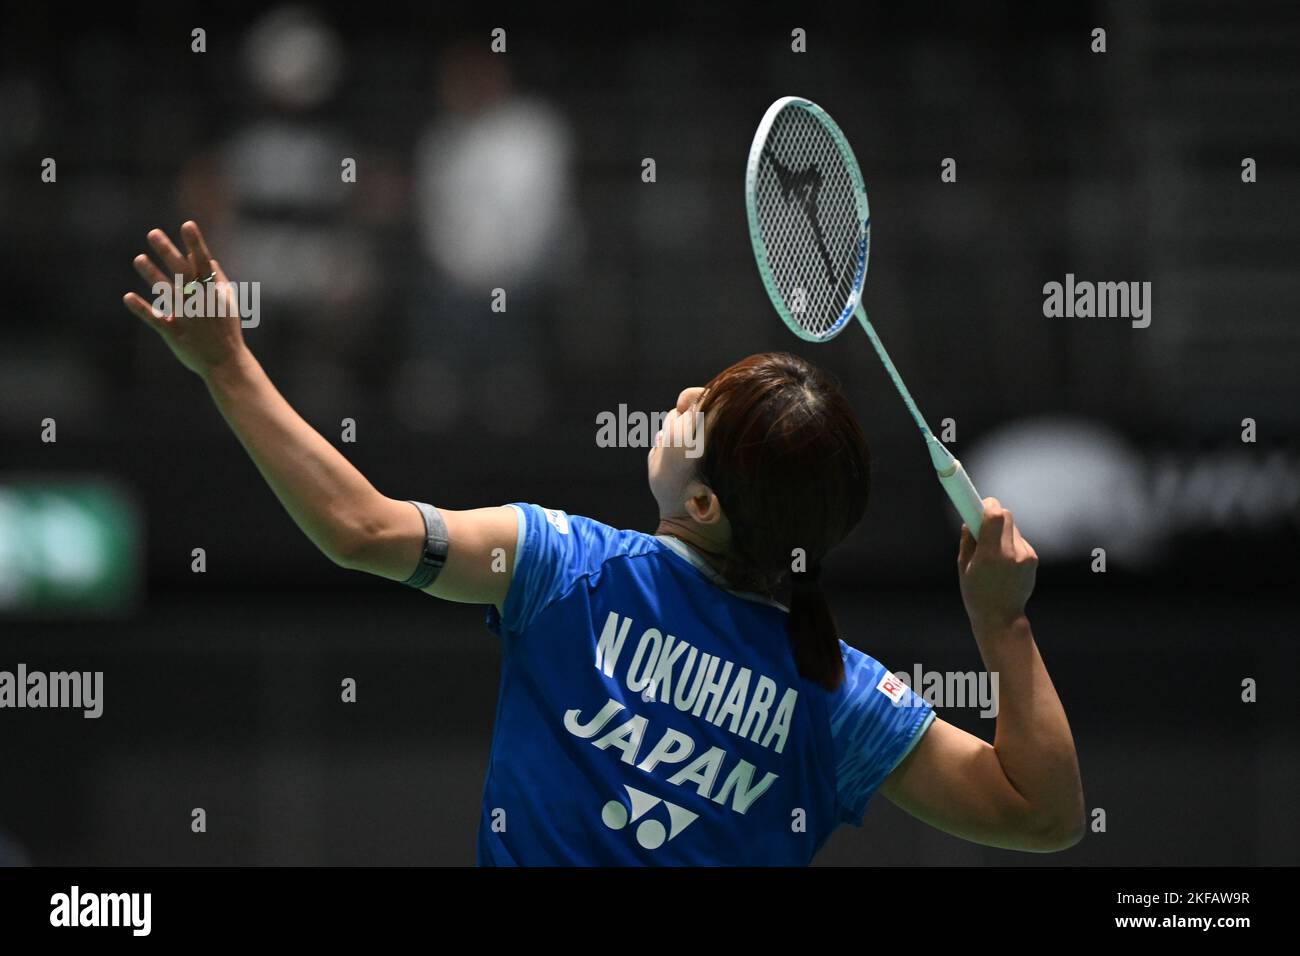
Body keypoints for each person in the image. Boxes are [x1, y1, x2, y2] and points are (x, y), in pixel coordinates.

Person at [123, 222, 1084, 865]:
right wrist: (1001, 628)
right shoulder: (837, 700)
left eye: (696, 411)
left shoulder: (564, 567)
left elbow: (359, 527)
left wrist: (229, 365)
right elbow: (1043, 816)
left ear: (704, 504)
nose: (675, 403)